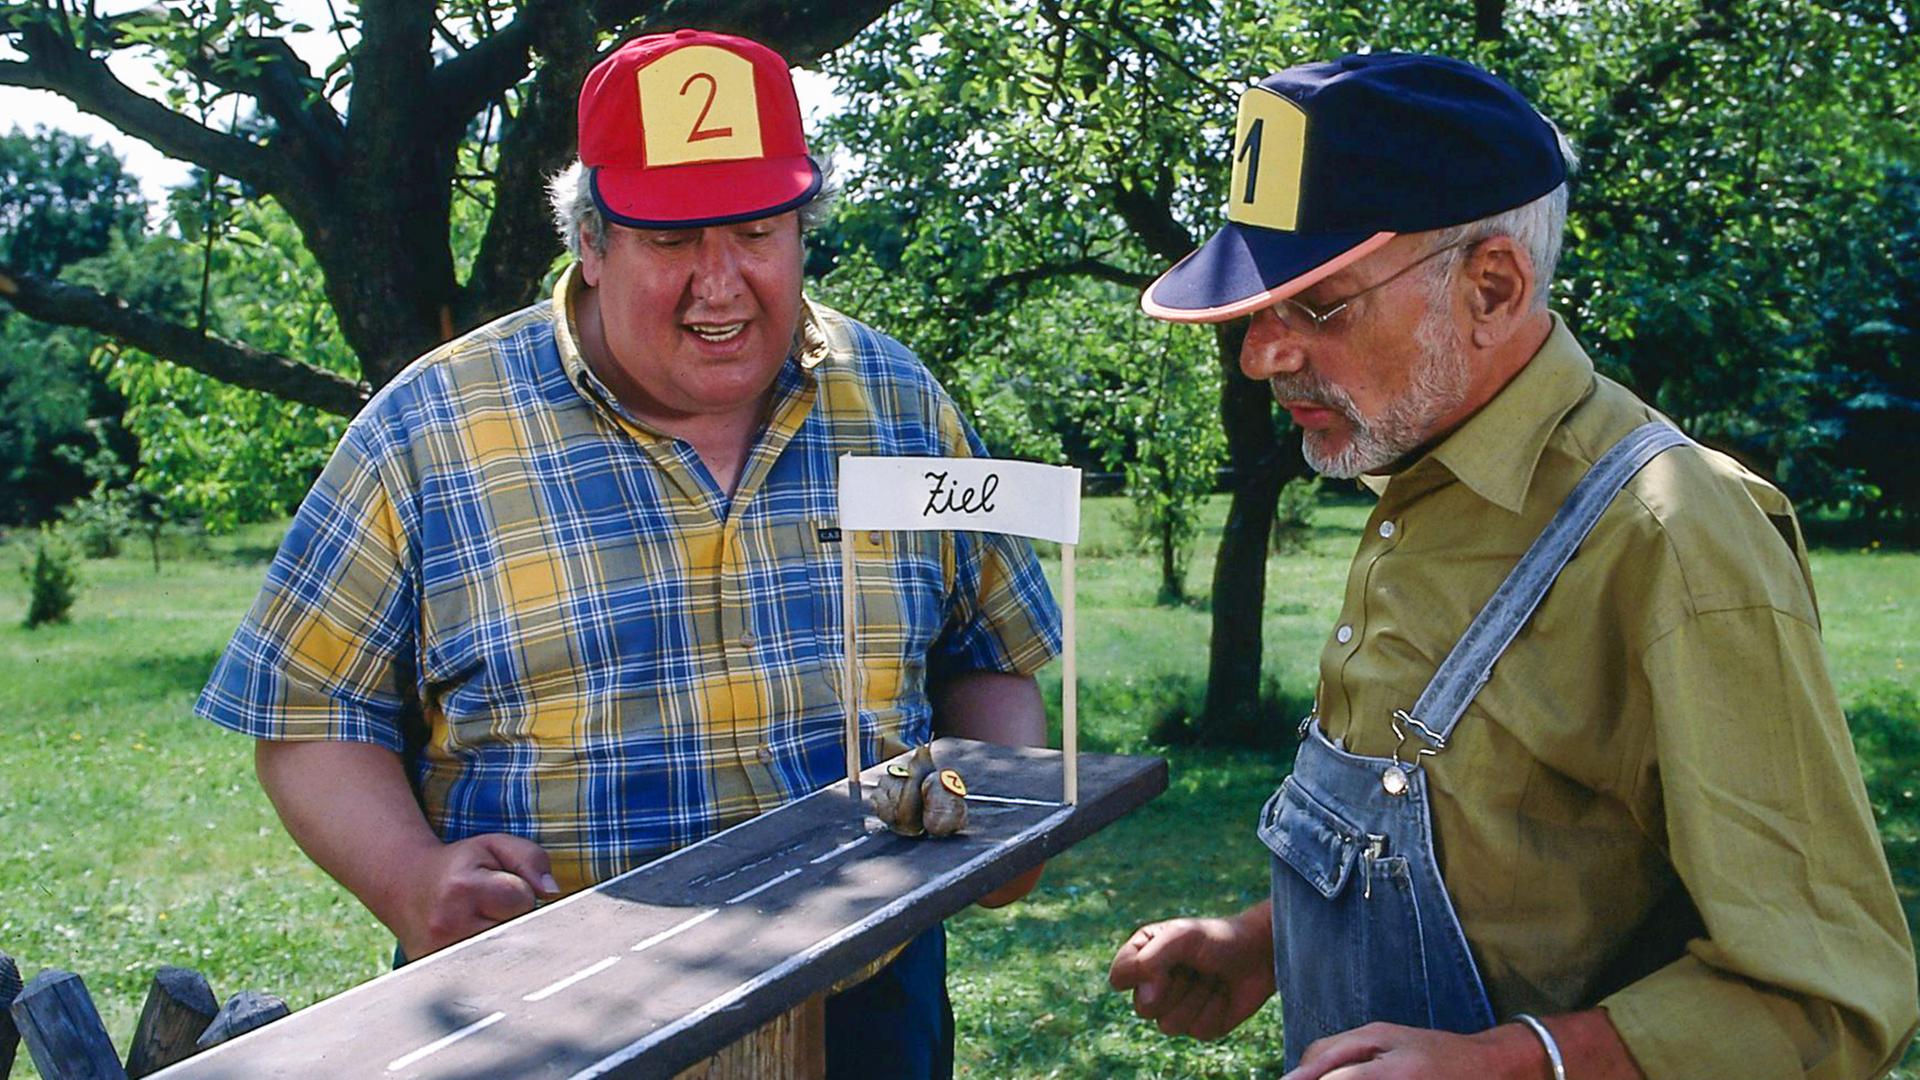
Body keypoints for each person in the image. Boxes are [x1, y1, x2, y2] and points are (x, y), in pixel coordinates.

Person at [196, 28, 1060, 1079]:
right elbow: (306, 714)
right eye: (672, 240)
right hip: (542, 1016)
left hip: (867, 1001)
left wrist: (1002, 810)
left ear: (803, 229)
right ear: (591, 243)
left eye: (754, 231)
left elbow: (986, 647)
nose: (721, 283)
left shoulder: (894, 397)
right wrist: (410, 880)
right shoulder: (431, 430)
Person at [1107, 53, 1917, 1079]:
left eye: (1318, 307)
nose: (1261, 354)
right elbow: (1504, 855)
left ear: (1492, 286)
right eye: (1258, 306)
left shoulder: (1670, 537)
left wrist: (1514, 1063)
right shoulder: (1421, 475)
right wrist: (1263, 944)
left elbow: (1831, 997)